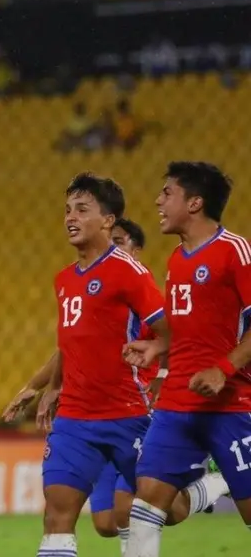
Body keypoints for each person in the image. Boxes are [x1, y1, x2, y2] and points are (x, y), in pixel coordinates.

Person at [3, 216, 227, 554]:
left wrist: (169, 384)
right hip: (90, 415)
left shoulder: (145, 297)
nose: (111, 250)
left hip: (137, 411)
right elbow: (68, 347)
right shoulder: (95, 294)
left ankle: (215, 483)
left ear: (136, 250)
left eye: (120, 242)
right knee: (107, 522)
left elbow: (180, 340)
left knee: (146, 509)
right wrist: (39, 386)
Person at [33, 174, 171, 557]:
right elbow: (69, 343)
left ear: (108, 220)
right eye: (67, 210)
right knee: (58, 514)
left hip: (128, 413)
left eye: (82, 209)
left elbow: (170, 332)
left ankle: (207, 483)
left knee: (166, 509)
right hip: (75, 419)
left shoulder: (128, 270)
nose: (70, 218)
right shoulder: (64, 280)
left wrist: (160, 372)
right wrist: (53, 386)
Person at [124, 162, 251, 557]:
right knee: (146, 501)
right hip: (179, 400)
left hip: (231, 402)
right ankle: (212, 485)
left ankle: (219, 482)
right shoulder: (177, 260)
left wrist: (224, 367)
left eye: (167, 193)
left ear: (194, 203)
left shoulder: (235, 251)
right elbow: (188, 327)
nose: (158, 201)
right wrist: (159, 348)